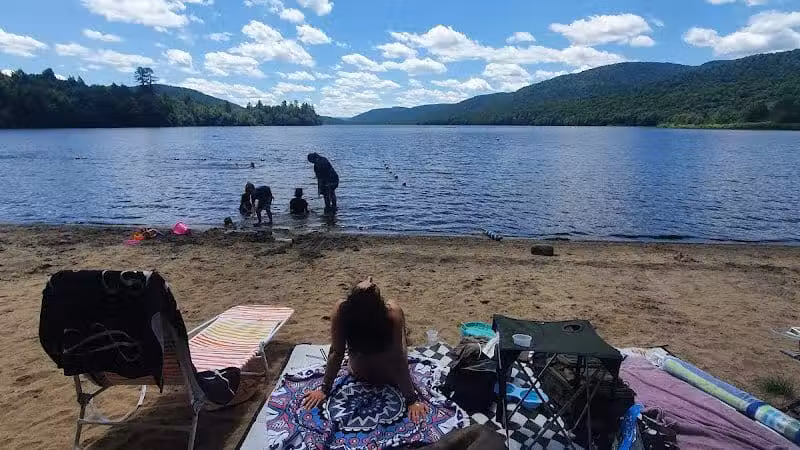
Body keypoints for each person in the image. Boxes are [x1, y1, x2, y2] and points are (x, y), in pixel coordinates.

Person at [301, 277, 429, 423]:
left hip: (358, 372)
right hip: (388, 375)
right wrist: (412, 400)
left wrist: (324, 389)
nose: (369, 281)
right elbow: (398, 359)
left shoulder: (342, 311)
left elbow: (336, 352)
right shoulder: (392, 312)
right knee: (400, 335)